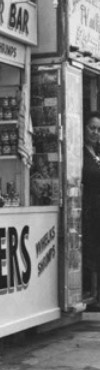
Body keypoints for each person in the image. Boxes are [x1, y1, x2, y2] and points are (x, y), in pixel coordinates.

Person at [82, 111, 100, 309]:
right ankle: (91, 294)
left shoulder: (97, 152)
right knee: (91, 252)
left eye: (99, 129)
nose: (96, 133)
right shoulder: (81, 152)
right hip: (89, 210)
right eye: (92, 128)